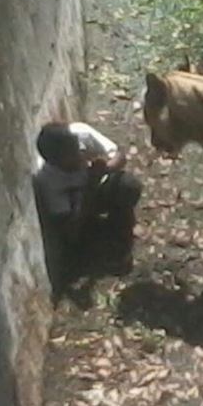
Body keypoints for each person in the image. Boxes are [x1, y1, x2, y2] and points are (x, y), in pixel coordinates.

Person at [33, 121, 141, 293]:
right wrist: (89, 187)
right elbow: (70, 230)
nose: (79, 155)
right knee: (78, 245)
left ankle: (121, 234)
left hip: (97, 188)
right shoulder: (47, 180)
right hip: (80, 209)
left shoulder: (81, 134)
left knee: (127, 185)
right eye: (71, 155)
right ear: (55, 161)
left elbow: (119, 155)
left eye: (76, 148)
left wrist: (105, 169)